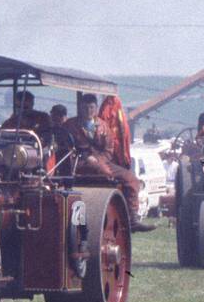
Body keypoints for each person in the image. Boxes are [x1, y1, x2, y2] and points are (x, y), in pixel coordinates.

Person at [64, 93, 153, 231]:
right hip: (77, 164)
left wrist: (98, 161)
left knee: (132, 179)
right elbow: (66, 148)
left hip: (102, 163)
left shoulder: (104, 126)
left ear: (96, 108)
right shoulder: (70, 125)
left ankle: (132, 219)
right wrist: (84, 158)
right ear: (80, 108)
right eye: (85, 107)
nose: (89, 111)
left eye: (91, 107)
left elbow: (109, 150)